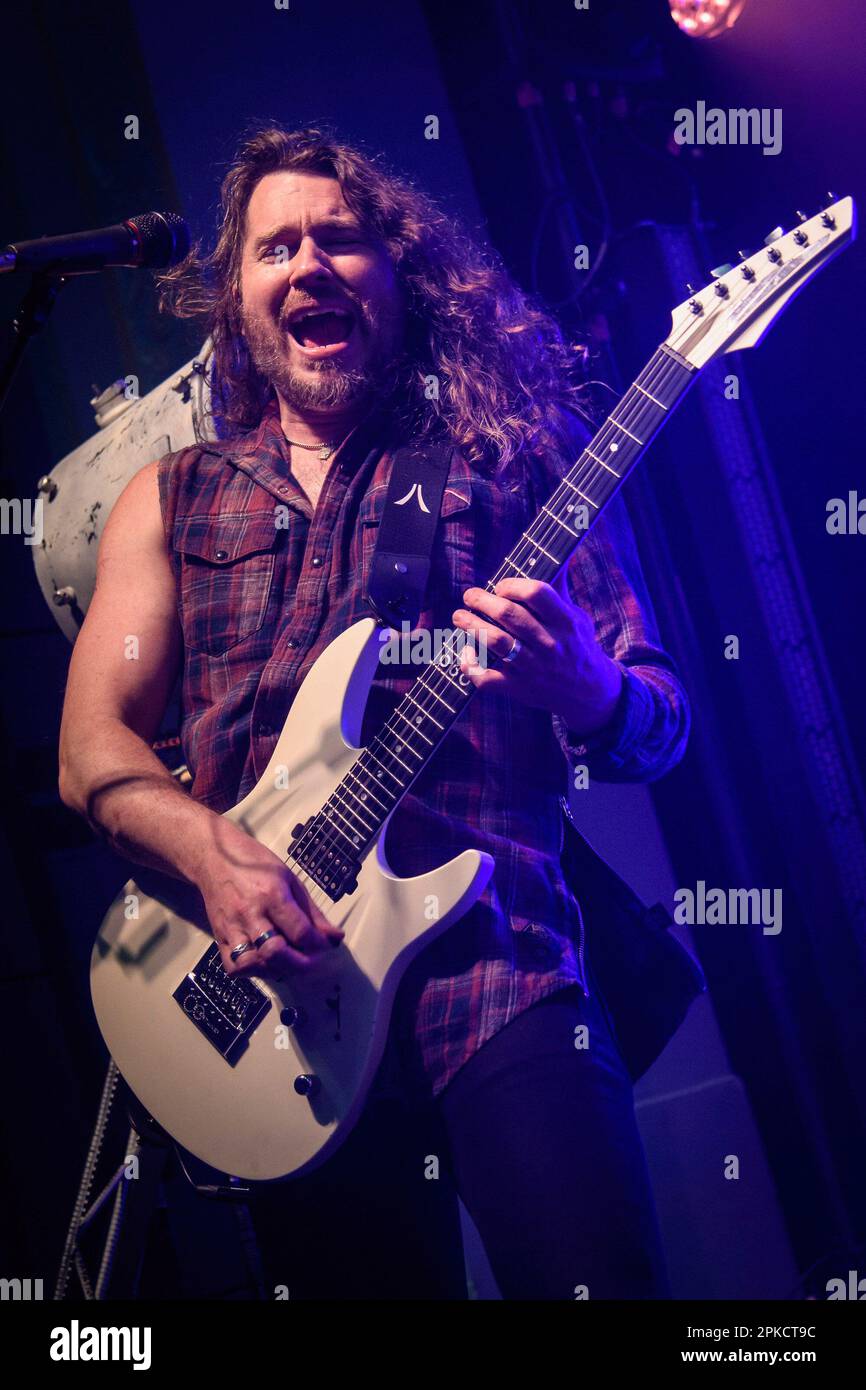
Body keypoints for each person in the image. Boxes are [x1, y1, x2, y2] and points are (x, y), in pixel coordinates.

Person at [59, 125, 691, 1301]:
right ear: (236, 297)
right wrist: (215, 858)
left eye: (340, 239)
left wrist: (588, 690)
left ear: (397, 272)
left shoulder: (498, 462)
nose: (307, 265)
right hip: (266, 1005)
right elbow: (88, 750)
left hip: (495, 969)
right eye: (274, 247)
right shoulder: (170, 497)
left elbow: (659, 720)